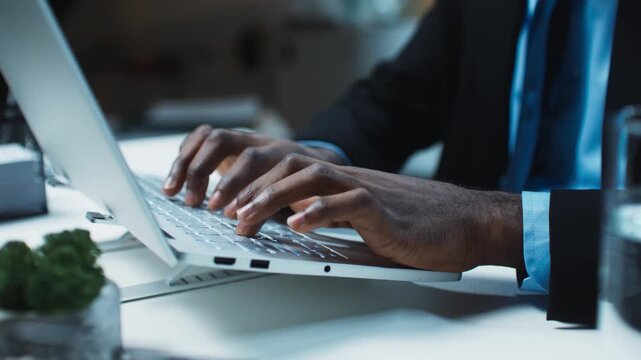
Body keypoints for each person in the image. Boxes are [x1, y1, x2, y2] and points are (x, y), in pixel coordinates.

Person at [163, 0, 641, 326]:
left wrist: (492, 225)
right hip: (466, 303)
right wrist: (318, 154)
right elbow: (398, 96)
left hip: (617, 309)